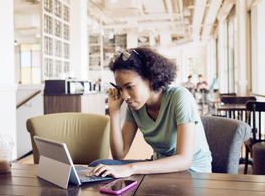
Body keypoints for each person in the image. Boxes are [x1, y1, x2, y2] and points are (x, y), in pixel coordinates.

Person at [87, 47, 212, 178]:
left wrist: (131, 168)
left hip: (193, 173)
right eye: (120, 89)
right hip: (160, 168)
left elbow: (184, 161)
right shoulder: (134, 106)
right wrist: (114, 112)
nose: (124, 96)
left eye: (129, 87)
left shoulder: (180, 98)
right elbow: (119, 154)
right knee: (99, 166)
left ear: (151, 80)